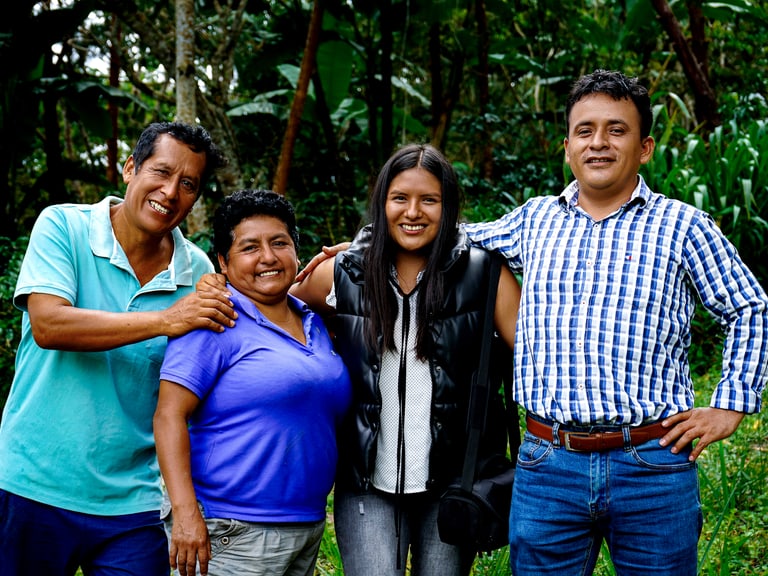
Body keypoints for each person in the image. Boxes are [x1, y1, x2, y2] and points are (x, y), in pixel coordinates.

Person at [463, 69, 768, 575]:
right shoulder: (533, 220)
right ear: (567, 147)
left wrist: (730, 405)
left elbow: (750, 307)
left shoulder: (683, 227)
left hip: (653, 464)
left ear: (645, 147)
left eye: (616, 130)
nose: (598, 143)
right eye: (585, 131)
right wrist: (366, 247)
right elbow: (452, 240)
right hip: (548, 464)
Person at [0, 121, 235, 576]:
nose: (170, 192)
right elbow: (49, 324)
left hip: (133, 502)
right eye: (161, 173)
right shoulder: (63, 225)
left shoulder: (198, 270)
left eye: (188, 184)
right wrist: (168, 320)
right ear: (130, 168)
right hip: (33, 484)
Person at [289, 143, 521, 576]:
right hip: (366, 483)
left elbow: (540, 353)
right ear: (382, 202)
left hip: (453, 483)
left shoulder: (485, 273)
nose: (412, 212)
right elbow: (276, 313)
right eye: (400, 198)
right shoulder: (344, 272)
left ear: (448, 206)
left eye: (428, 200)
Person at [154, 189, 352, 576]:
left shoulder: (315, 320)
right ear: (223, 264)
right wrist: (185, 514)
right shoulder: (214, 319)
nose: (267, 257)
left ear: (297, 252)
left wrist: (356, 245)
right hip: (231, 531)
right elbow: (168, 416)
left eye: (280, 243)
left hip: (304, 528)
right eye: (249, 247)